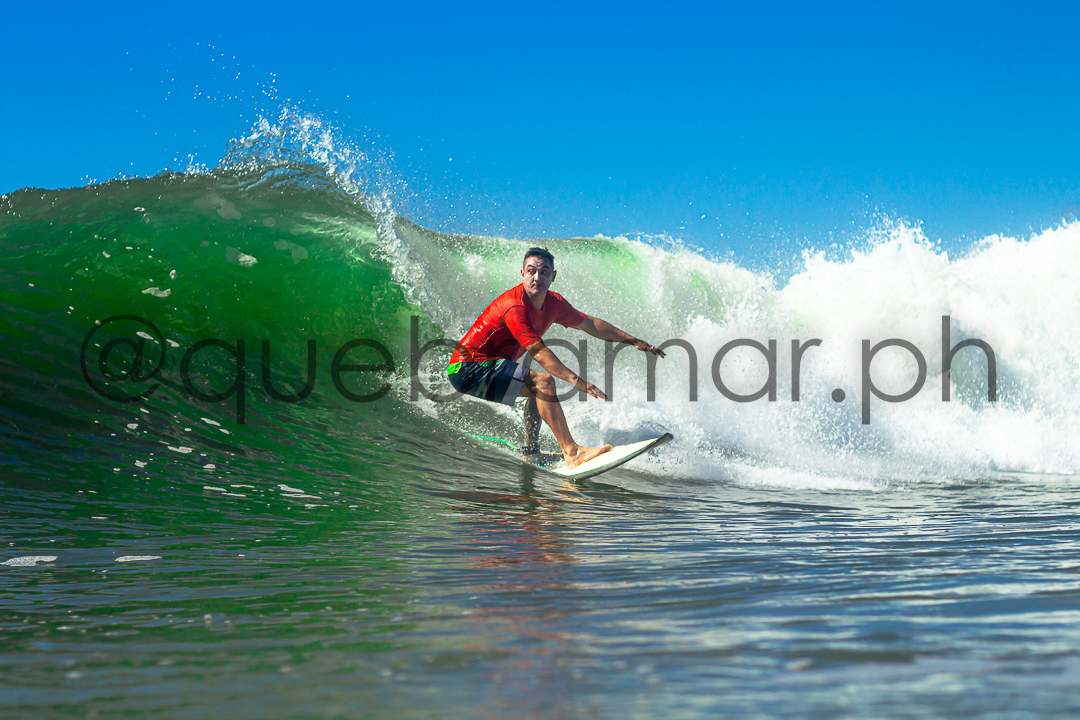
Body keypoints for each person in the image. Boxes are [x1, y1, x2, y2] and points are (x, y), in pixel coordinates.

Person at [447, 247, 666, 469]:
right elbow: (538, 352)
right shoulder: (514, 305)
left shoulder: (554, 303)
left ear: (553, 276)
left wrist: (632, 340)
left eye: (544, 272)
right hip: (466, 368)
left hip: (487, 366)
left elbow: (590, 324)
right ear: (522, 274)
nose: (537, 277)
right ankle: (572, 453)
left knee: (537, 390)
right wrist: (576, 381)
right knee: (543, 382)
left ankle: (531, 452)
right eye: (531, 271)